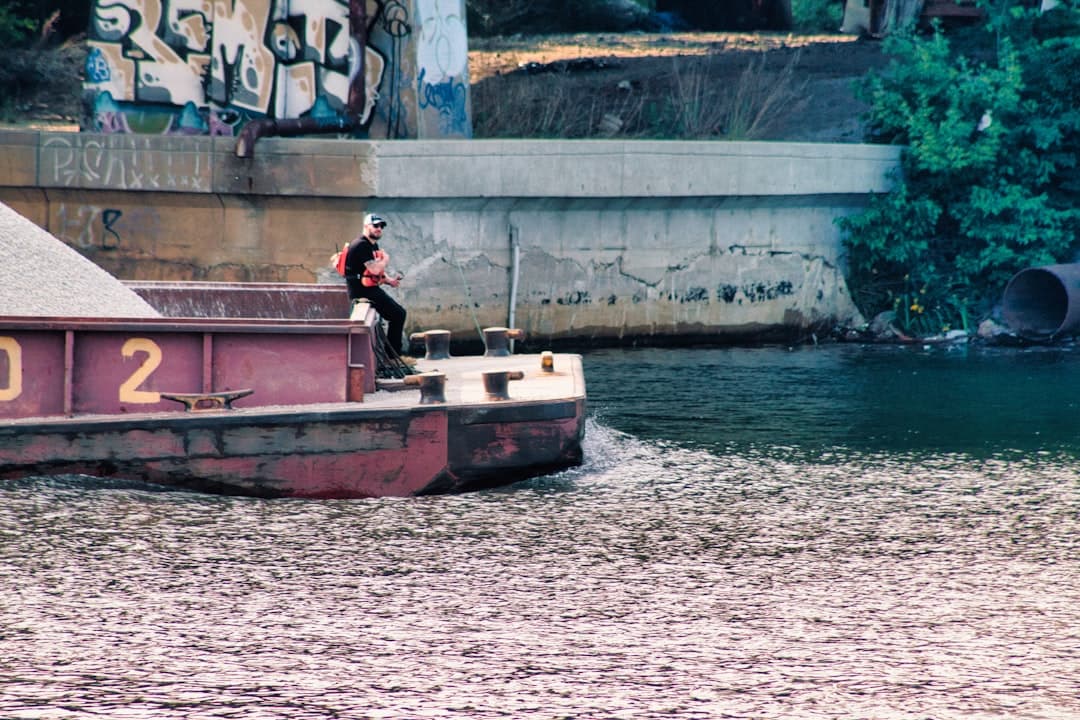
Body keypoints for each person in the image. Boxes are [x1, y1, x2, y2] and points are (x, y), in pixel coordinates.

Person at [343, 213, 407, 356]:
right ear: (366, 226)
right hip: (362, 291)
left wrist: (389, 280)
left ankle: (391, 354)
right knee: (398, 314)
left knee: (396, 314)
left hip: (369, 288)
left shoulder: (371, 245)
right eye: (375, 225)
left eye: (381, 226)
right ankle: (393, 356)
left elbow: (373, 273)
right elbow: (375, 268)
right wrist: (385, 259)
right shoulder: (361, 245)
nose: (379, 229)